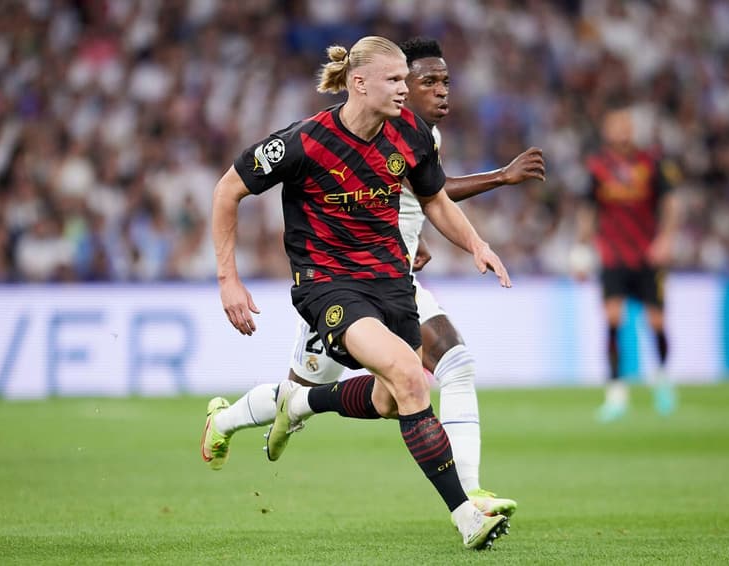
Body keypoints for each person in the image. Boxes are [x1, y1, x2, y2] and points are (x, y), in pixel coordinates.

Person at [203, 37, 545, 519]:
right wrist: (228, 279)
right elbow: (230, 188)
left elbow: (430, 198)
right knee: (327, 385)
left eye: (424, 81)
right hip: (332, 285)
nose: (427, 90)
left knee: (419, 381)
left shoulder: (414, 137)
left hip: (393, 282)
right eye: (414, 80)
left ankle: (469, 490)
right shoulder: (306, 141)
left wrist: (473, 244)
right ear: (360, 84)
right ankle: (232, 418)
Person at [572, 103, 681, 422]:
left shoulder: (652, 162)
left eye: (625, 125)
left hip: (648, 254)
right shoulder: (597, 167)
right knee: (613, 319)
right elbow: (588, 211)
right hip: (613, 254)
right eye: (615, 126)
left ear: (633, 129)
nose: (620, 131)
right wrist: (581, 249)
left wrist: (667, 239)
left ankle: (661, 378)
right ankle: (616, 392)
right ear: (607, 130)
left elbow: (671, 202)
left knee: (657, 321)